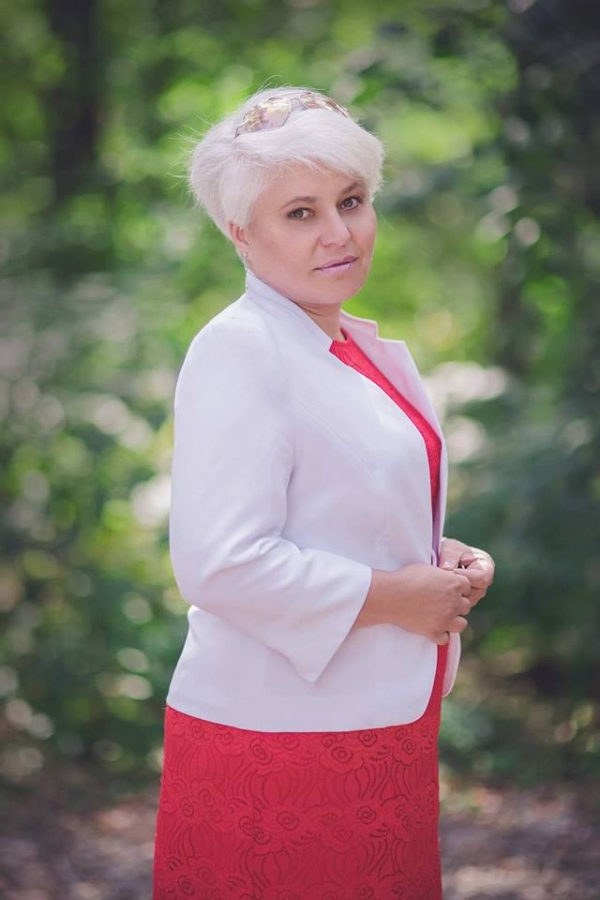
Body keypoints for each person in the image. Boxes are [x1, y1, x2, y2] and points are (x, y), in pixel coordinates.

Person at [153, 86, 495, 900]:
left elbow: (342, 513)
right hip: (281, 742)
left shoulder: (349, 346)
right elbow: (219, 562)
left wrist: (437, 559)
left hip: (378, 723)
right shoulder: (240, 349)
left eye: (351, 201)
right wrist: (397, 596)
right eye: (300, 213)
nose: (339, 232)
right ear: (240, 232)